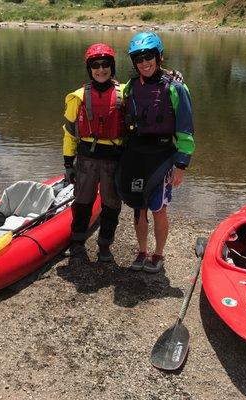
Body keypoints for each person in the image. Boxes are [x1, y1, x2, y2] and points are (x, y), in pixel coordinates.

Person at [116, 32, 195, 273]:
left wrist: (181, 165)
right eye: (138, 58)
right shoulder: (130, 86)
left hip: (162, 156)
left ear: (159, 57)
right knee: (138, 205)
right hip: (137, 154)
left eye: (149, 56)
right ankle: (142, 251)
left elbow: (185, 130)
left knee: (159, 208)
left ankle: (158, 255)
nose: (144, 62)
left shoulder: (176, 88)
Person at [62, 43, 124, 263]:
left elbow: (147, 85)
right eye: (95, 65)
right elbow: (69, 133)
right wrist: (68, 163)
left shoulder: (125, 93)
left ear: (112, 66)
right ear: (89, 69)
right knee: (82, 202)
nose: (101, 69)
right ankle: (77, 241)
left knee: (111, 205)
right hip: (86, 159)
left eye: (105, 64)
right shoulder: (77, 97)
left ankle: (105, 245)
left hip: (113, 160)